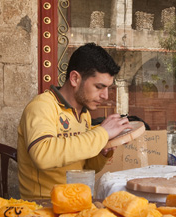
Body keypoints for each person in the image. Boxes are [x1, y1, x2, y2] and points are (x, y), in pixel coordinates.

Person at [17, 43, 132, 199]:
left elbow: (86, 167)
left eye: (108, 88)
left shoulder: (83, 114)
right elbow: (42, 155)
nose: (105, 96)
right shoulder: (42, 106)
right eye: (99, 87)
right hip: (44, 204)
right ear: (75, 78)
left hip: (75, 199)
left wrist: (103, 151)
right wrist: (102, 133)